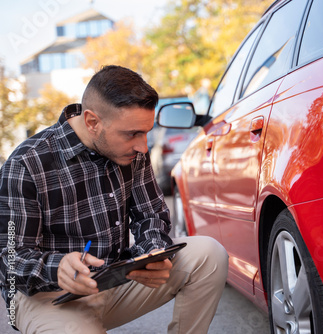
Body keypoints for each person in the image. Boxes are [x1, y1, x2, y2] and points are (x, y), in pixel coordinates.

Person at [0, 65, 228, 333]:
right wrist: (58, 268)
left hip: (115, 278)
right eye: (132, 134)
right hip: (51, 297)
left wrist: (152, 253)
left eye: (146, 132)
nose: (143, 146)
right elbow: (9, 258)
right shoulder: (26, 162)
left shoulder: (132, 151)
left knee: (210, 255)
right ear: (92, 122)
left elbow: (151, 215)